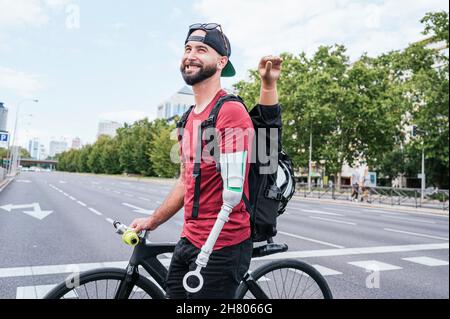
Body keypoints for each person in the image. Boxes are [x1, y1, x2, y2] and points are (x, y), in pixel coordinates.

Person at [129, 23, 283, 299]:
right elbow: (186, 180)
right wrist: (153, 220)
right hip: (188, 240)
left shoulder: (230, 112)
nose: (191, 55)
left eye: (202, 49)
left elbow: (233, 193)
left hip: (222, 245)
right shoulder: (187, 119)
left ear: (222, 61)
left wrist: (207, 252)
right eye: (188, 49)